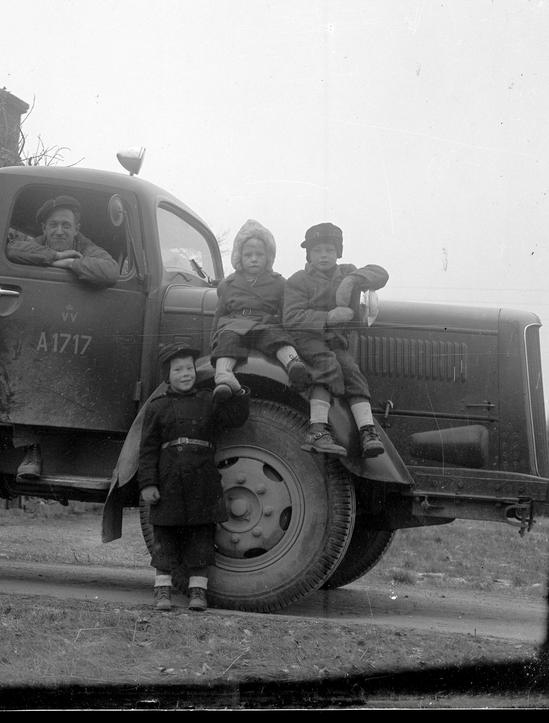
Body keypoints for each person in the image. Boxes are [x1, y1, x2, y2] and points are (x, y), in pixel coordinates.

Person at [137, 343, 251, 612]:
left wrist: (237, 390)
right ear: (168, 375)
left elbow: (235, 417)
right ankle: (162, 592)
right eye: (178, 369)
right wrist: (148, 483)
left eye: (189, 368)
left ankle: (198, 592)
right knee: (165, 537)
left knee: (201, 537)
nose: (186, 374)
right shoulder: (158, 407)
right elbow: (148, 448)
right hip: (169, 480)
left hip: (203, 480)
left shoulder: (208, 400)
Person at [283, 222, 389, 459]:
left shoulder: (347, 272)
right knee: (327, 365)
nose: (323, 255)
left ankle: (367, 431)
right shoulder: (298, 280)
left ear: (338, 253)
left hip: (334, 341)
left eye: (330, 250)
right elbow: (290, 317)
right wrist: (328, 317)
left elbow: (381, 273)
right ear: (308, 254)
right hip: (307, 338)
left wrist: (353, 279)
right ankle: (317, 431)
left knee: (351, 370)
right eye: (317, 250)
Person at [210, 219, 311, 400]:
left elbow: (285, 312)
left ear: (269, 257)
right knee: (227, 340)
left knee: (277, 338)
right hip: (234, 324)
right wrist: (213, 341)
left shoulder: (279, 283)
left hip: (264, 324)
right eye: (248, 255)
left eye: (259, 254)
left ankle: (294, 364)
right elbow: (219, 314)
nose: (254, 259)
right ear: (239, 257)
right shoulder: (228, 284)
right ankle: (224, 376)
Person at [5, 195, 119, 288]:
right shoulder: (40, 242)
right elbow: (11, 249)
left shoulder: (85, 247)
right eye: (53, 225)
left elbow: (111, 271)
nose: (59, 232)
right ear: (44, 229)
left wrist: (69, 263)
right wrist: (57, 256)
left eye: (66, 225)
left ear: (76, 229)